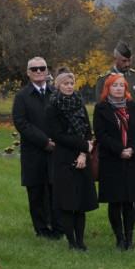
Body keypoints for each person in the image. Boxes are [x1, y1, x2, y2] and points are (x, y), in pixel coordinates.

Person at [96, 41, 135, 225]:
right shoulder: (103, 79)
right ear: (115, 59)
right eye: (124, 61)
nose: (128, 64)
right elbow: (101, 108)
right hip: (115, 139)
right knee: (118, 179)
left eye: (129, 61)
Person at [46, 68, 98, 251]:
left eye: (71, 83)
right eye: (65, 83)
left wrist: (84, 154)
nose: (69, 86)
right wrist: (83, 146)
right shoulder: (52, 107)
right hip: (63, 159)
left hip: (82, 157)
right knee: (68, 204)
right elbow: (57, 135)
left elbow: (87, 129)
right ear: (58, 86)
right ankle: (71, 243)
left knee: (81, 203)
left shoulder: (79, 103)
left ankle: (81, 242)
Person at [93, 74, 135, 250]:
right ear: (107, 88)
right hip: (112, 160)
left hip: (132, 160)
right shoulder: (101, 108)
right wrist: (119, 150)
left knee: (129, 201)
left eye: (121, 85)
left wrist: (131, 149)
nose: (118, 88)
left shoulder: (133, 107)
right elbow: (101, 135)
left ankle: (130, 240)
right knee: (115, 201)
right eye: (114, 85)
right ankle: (119, 239)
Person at [12, 57, 62, 239]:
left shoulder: (55, 93)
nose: (39, 71)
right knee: (36, 192)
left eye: (42, 68)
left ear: (47, 71)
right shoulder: (22, 96)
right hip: (34, 151)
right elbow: (21, 123)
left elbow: (63, 118)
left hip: (56, 150)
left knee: (56, 191)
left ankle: (59, 228)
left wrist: (55, 140)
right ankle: (41, 229)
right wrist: (44, 141)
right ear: (28, 72)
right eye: (34, 69)